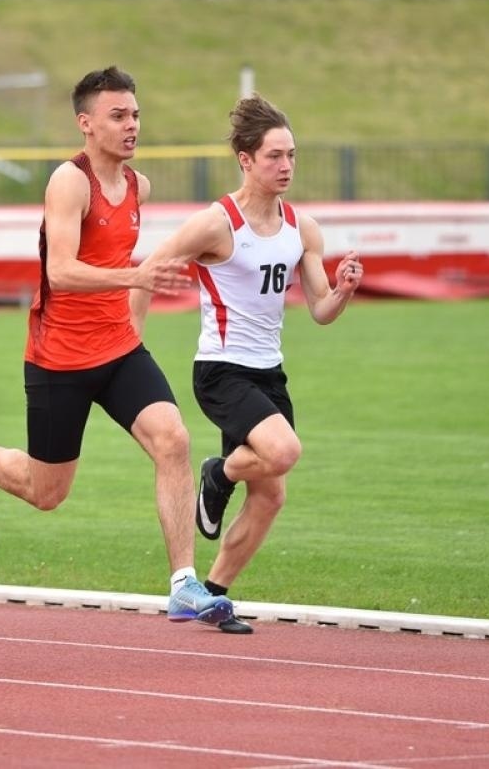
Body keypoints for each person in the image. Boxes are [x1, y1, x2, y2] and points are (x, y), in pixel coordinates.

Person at [0, 67, 235, 629]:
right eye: (118, 116)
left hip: (117, 350)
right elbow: (61, 272)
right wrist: (136, 279)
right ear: (86, 123)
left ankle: (184, 584)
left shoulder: (139, 187)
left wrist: (134, 313)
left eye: (135, 114)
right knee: (46, 493)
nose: (131, 125)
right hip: (58, 358)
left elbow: (123, 269)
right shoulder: (69, 182)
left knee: (174, 439)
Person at [132, 95, 362, 634]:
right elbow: (148, 266)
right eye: (274, 156)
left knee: (272, 493)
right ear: (245, 159)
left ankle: (211, 595)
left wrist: (346, 289)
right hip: (221, 369)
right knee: (283, 452)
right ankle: (218, 474)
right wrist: (132, 342)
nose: (286, 167)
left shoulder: (302, 229)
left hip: (269, 372)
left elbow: (322, 310)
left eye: (292, 156)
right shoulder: (218, 223)